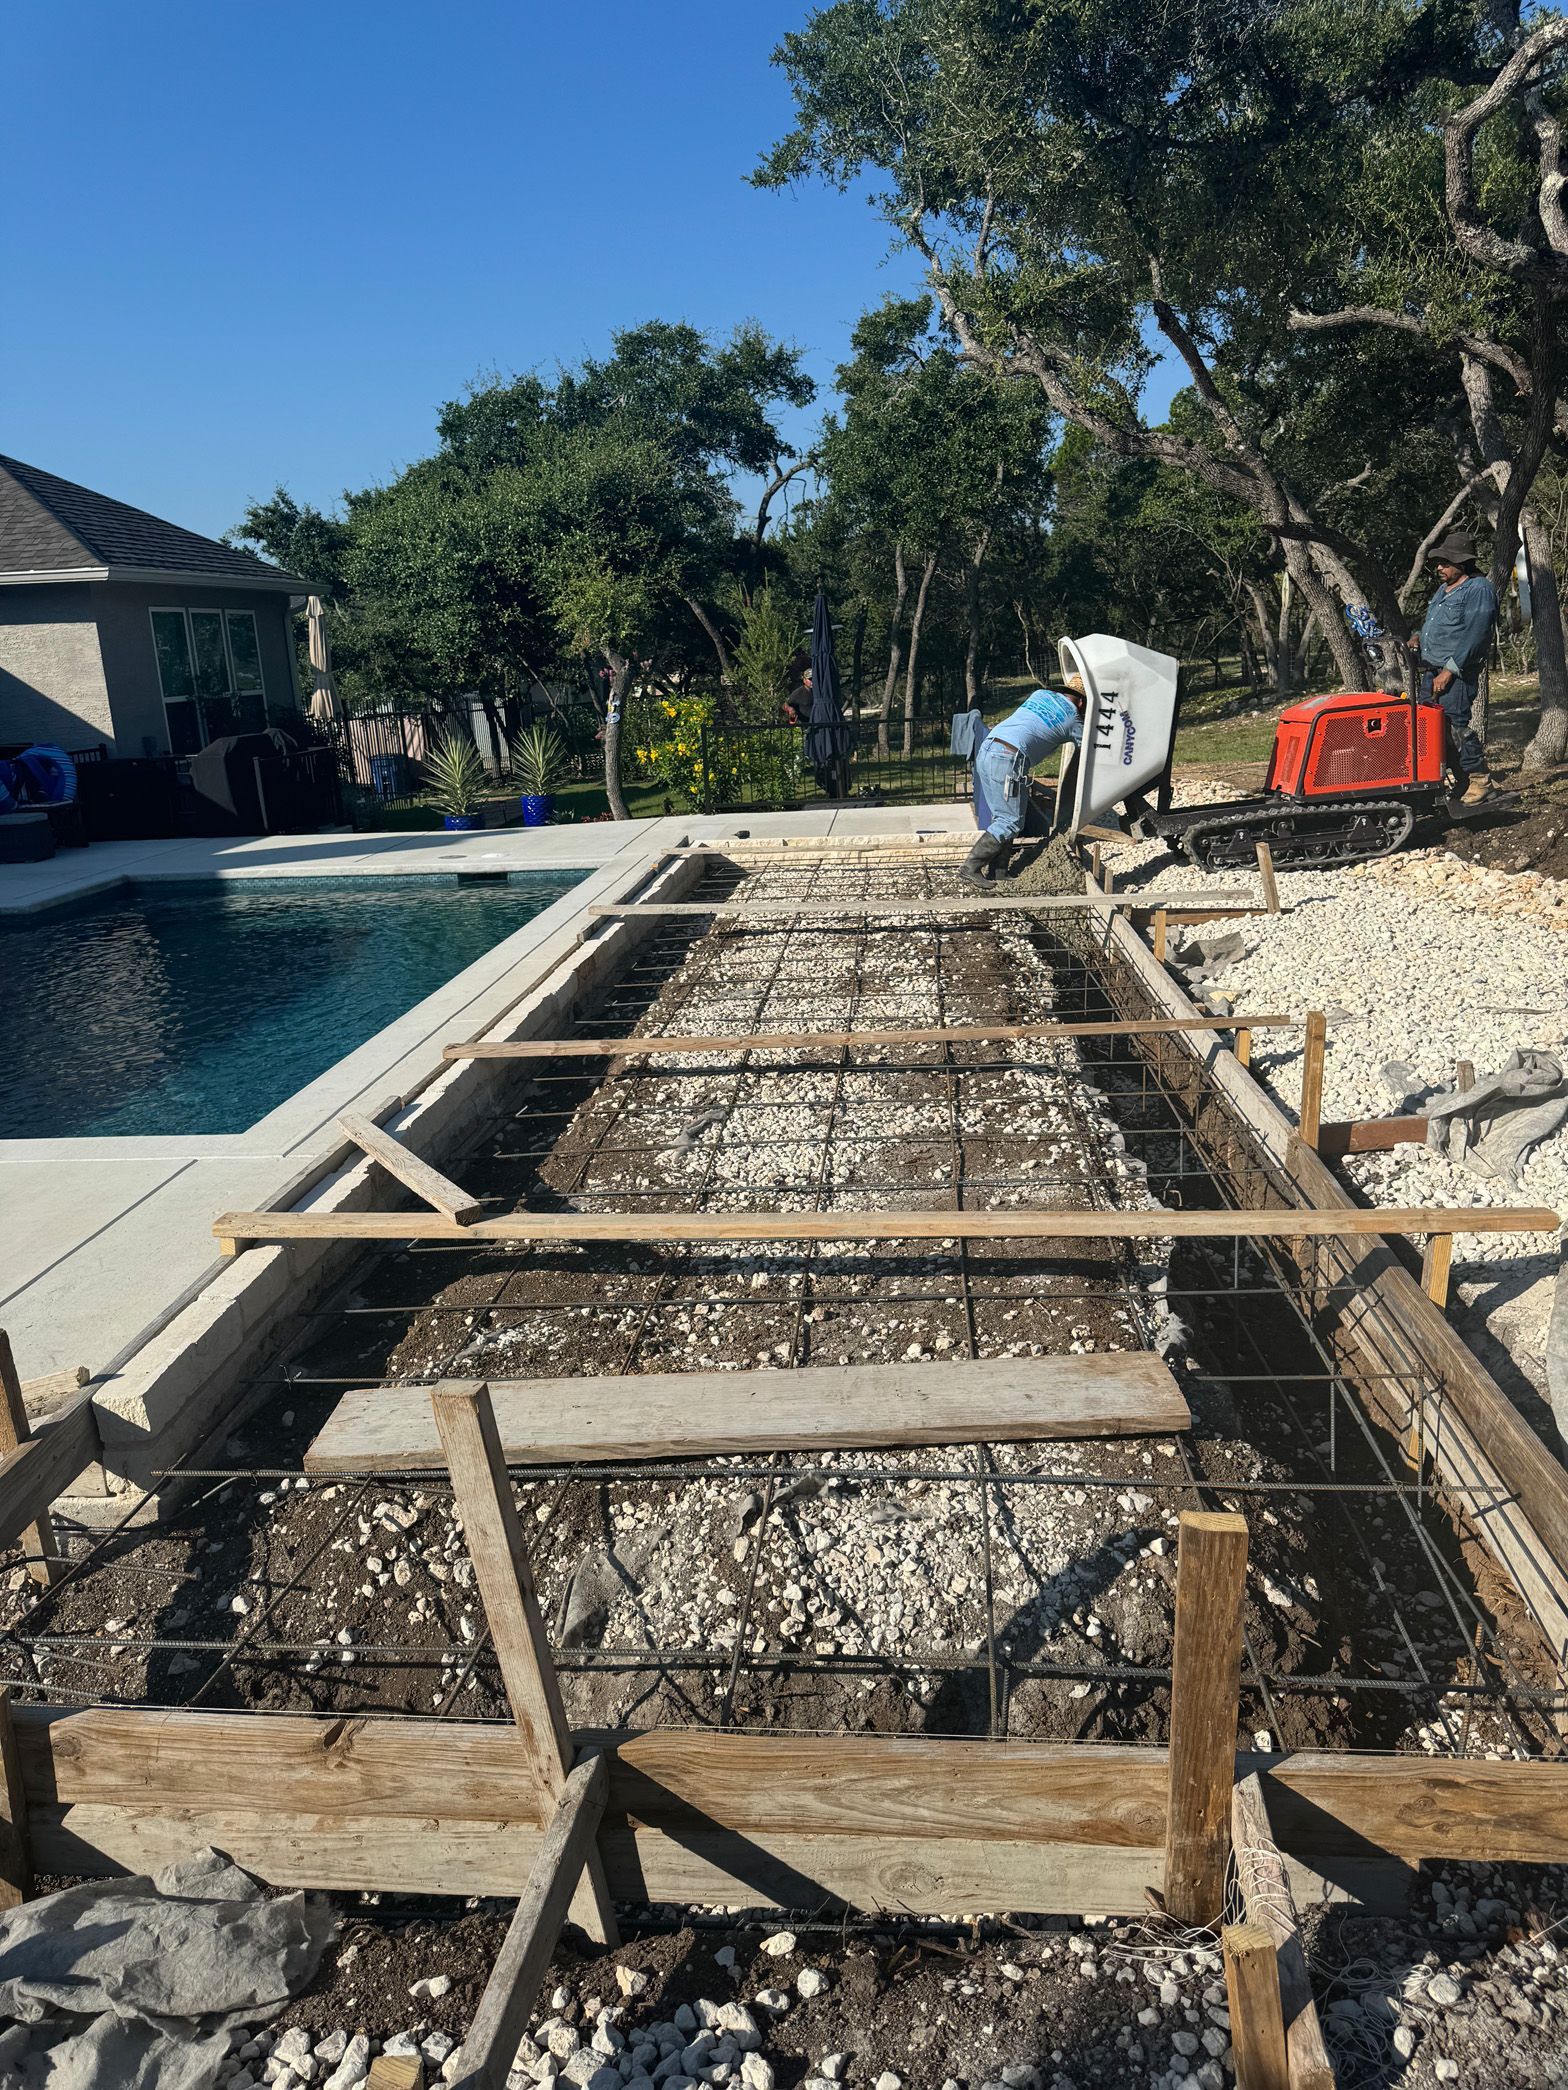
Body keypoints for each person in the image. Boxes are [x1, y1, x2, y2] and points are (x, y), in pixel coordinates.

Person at [960, 677, 1088, 889]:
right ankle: (970, 867)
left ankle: (999, 871)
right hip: (1009, 758)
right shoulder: (1074, 719)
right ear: (1082, 703)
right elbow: (1091, 750)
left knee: (1002, 817)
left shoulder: (1040, 695)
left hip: (988, 748)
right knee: (1010, 821)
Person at [1410, 531, 1498, 804]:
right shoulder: (1443, 589)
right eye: (1439, 562)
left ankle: (1480, 779)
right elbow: (1439, 626)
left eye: (1445, 562)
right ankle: (1461, 781)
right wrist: (1418, 637)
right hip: (1431, 669)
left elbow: (1476, 635)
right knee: (1432, 728)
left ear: (1462, 563)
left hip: (1456, 673)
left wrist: (1449, 670)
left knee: (1454, 726)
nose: (1439, 567)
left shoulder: (1479, 589)